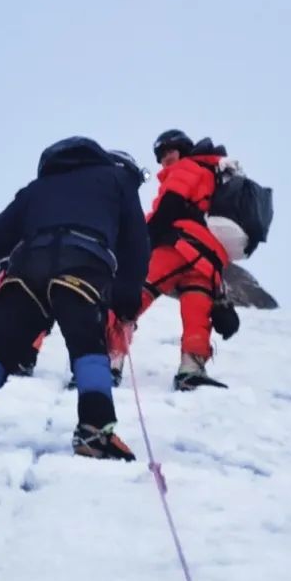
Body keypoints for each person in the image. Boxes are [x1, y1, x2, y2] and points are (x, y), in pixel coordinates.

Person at [0, 137, 150, 460]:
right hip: (83, 266)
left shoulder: (37, 188)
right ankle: (95, 433)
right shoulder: (118, 181)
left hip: (26, 268)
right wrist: (127, 301)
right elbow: (137, 244)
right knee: (88, 346)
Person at [106, 129, 240, 391]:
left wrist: (141, 242)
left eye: (170, 151)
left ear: (184, 149)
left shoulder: (187, 168)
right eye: (161, 155)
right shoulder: (213, 175)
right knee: (197, 310)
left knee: (131, 295)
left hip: (178, 245)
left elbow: (169, 207)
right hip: (208, 257)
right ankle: (192, 368)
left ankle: (108, 359)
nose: (165, 158)